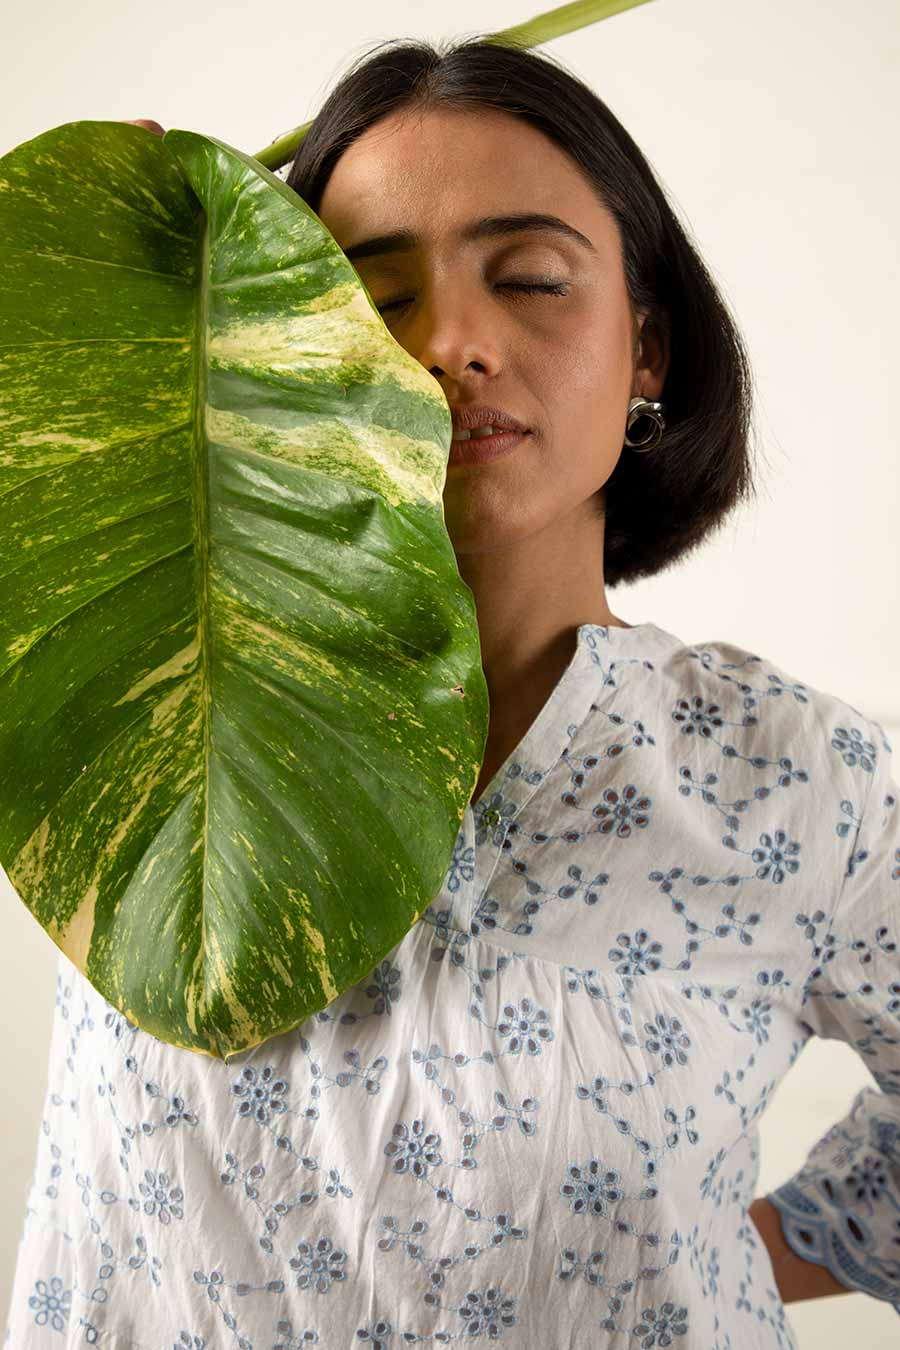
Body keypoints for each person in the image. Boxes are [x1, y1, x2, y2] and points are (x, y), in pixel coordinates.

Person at [4, 37, 899, 1349]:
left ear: (647, 346)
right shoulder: (139, 688)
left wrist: (735, 1253)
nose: (450, 343)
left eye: (529, 278)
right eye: (367, 296)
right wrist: (78, 288)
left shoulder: (793, 777)